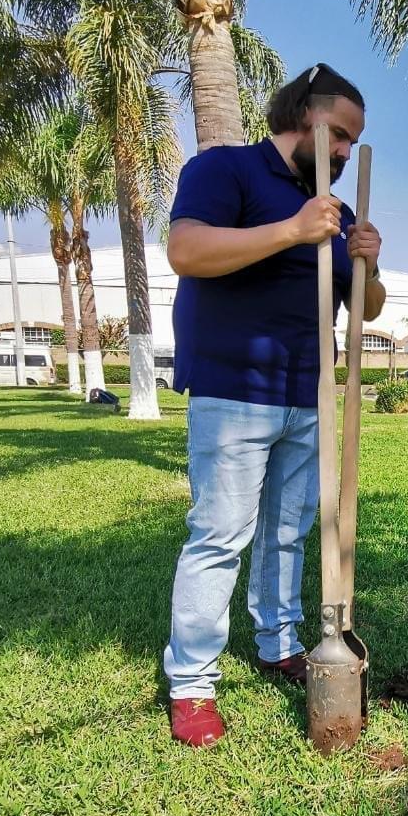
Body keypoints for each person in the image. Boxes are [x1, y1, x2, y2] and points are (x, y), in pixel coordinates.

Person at [162, 63, 386, 747]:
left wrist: (367, 261)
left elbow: (366, 307)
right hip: (234, 390)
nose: (345, 153)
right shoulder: (224, 169)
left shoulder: (337, 212)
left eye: (353, 143)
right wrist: (291, 231)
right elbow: (186, 250)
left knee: (289, 532)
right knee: (222, 532)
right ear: (302, 116)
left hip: (309, 393)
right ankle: (193, 685)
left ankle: (278, 643)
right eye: (339, 135)